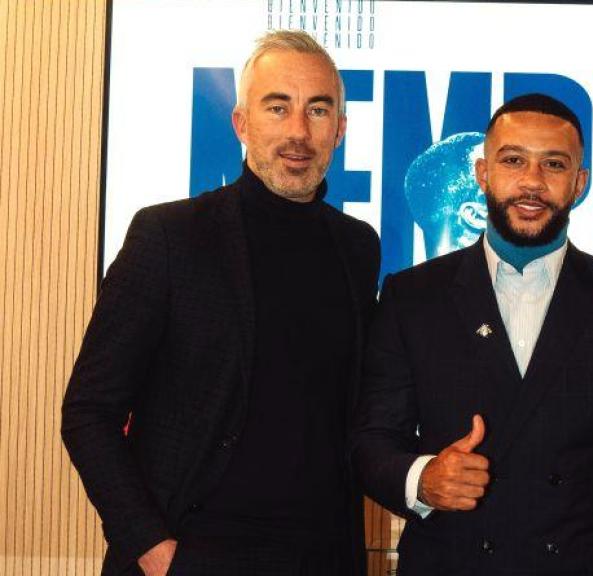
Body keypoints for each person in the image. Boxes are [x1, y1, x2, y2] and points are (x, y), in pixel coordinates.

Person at [61, 30, 379, 576]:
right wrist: (157, 553)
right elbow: (88, 411)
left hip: (323, 555)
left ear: (341, 129)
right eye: (278, 107)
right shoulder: (168, 236)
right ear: (241, 123)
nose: (299, 132)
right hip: (192, 553)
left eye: (318, 110)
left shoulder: (357, 246)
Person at [352, 93, 593, 575]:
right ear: (483, 173)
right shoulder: (413, 298)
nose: (532, 182)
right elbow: (371, 440)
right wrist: (423, 480)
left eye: (554, 164)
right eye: (514, 160)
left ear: (580, 183)